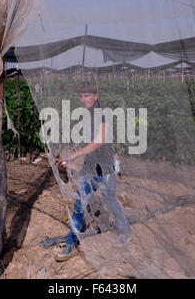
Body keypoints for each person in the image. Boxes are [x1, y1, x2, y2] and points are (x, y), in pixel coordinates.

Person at [54, 80, 133, 262]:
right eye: (81, 96)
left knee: (111, 201)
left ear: (96, 95)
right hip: (89, 168)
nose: (83, 99)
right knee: (80, 205)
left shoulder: (104, 113)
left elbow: (98, 142)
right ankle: (70, 244)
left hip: (104, 169)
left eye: (87, 95)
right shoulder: (87, 114)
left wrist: (73, 156)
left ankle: (126, 230)